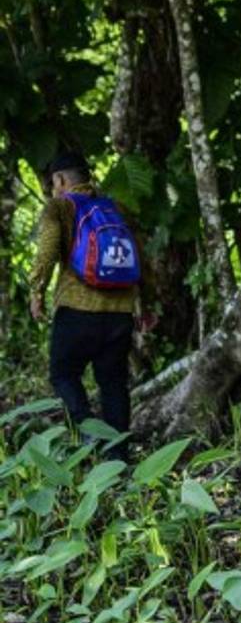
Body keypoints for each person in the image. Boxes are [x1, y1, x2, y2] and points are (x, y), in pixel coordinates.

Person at [29, 152, 150, 455]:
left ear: (60, 180)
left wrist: (37, 292)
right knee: (113, 383)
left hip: (77, 309)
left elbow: (47, 251)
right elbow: (139, 257)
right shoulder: (116, 208)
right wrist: (142, 305)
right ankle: (118, 457)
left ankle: (87, 432)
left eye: (53, 183)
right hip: (119, 313)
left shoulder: (60, 206)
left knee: (63, 374)